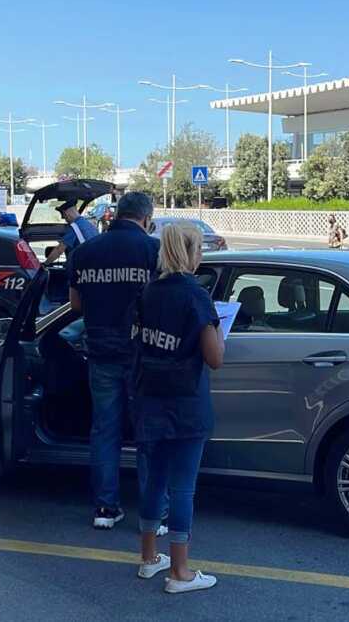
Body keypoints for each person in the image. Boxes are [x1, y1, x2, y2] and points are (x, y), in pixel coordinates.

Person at [134, 221, 224, 593]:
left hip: (150, 397)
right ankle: (180, 572)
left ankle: (149, 558)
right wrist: (219, 328)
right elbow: (214, 358)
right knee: (183, 487)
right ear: (190, 252)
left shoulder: (149, 291)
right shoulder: (196, 296)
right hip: (186, 400)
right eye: (199, 248)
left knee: (155, 480)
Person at [68, 191, 166, 530]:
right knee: (147, 433)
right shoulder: (154, 250)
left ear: (115, 214)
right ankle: (154, 514)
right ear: (146, 218)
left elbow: (76, 305)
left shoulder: (84, 252)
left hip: (100, 353)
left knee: (105, 431)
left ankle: (105, 509)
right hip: (143, 355)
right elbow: (165, 303)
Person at [45, 199, 98, 265]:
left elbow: (59, 250)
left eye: (64, 217)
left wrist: (45, 264)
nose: (66, 220)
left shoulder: (75, 227)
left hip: (84, 265)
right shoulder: (89, 224)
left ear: (66, 214)